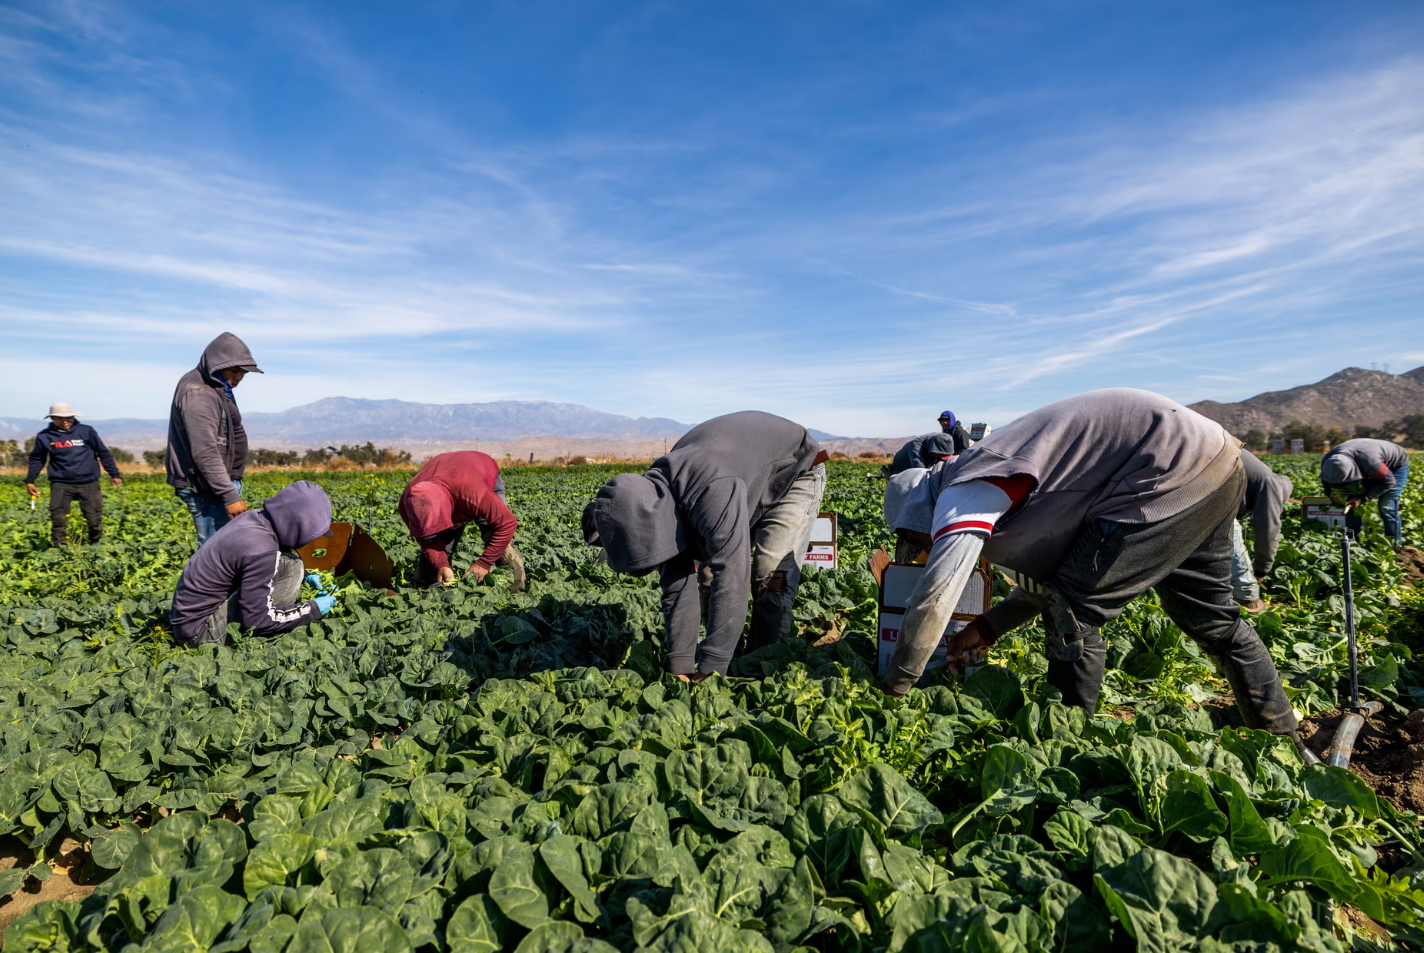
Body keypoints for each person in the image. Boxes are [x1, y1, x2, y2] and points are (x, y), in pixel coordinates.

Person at [880, 389, 1311, 760]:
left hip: (1162, 470)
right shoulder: (991, 484)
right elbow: (1054, 578)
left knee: (1072, 617)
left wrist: (897, 685)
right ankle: (1284, 740)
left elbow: (937, 593)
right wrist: (990, 626)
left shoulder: (964, 488)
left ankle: (1065, 750)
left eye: (915, 539)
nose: (921, 547)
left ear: (923, 512)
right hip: (1212, 462)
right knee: (1215, 620)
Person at [584, 411, 827, 680]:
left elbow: (732, 574)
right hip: (741, 478)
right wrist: (681, 666)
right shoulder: (651, 504)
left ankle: (763, 671)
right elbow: (677, 589)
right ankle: (731, 659)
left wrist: (710, 670)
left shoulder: (711, 488)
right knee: (708, 578)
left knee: (769, 574)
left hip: (794, 470)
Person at [169, 481, 336, 646]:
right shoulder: (261, 549)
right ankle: (275, 626)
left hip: (186, 622)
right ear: (300, 525)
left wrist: (305, 577)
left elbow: (262, 561)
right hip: (201, 633)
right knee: (293, 567)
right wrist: (312, 609)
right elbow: (258, 619)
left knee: (291, 564)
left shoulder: (255, 518)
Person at [166, 332, 261, 546]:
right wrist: (230, 495)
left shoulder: (220, 387)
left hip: (219, 483)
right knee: (215, 552)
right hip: (205, 487)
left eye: (243, 371)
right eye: (234, 370)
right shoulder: (199, 393)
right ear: (216, 365)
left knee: (225, 549)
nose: (239, 377)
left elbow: (235, 428)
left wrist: (234, 477)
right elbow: (204, 450)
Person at [398, 451, 526, 591]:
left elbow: (507, 524)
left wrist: (483, 564)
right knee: (433, 563)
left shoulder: (473, 494)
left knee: (496, 537)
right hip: (450, 477)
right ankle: (428, 593)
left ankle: (516, 590)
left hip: (481, 472)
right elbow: (427, 541)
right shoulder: (407, 505)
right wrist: (442, 565)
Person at [25, 402, 123, 546]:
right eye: (60, 418)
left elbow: (103, 453)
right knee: (59, 520)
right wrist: (30, 480)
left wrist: (114, 474)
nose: (65, 421)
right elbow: (37, 459)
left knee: (94, 519)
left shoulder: (86, 431)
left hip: (88, 482)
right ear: (52, 418)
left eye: (68, 417)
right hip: (61, 484)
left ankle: (95, 548)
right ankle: (60, 551)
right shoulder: (45, 436)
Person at [1320, 438, 1410, 548]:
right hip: (1365, 462)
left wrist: (1361, 498)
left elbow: (1388, 482)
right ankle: (1352, 543)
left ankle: (1395, 546)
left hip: (1395, 467)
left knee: (1386, 507)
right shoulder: (1328, 462)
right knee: (1349, 503)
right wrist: (1330, 493)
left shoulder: (1372, 464)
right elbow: (1325, 482)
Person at [1232, 449, 1293, 612]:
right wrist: (1260, 570)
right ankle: (1247, 600)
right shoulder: (1270, 484)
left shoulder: (1262, 478)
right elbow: (1268, 531)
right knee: (1228, 533)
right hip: (1204, 483)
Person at [889, 432, 958, 476]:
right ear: (935, 450)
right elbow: (920, 472)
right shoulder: (916, 449)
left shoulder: (933, 447)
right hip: (902, 471)